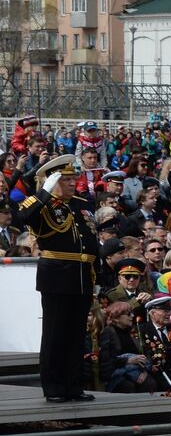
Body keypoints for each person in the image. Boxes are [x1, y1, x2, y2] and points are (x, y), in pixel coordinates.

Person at [15, 155, 100, 402]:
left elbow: (91, 242)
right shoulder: (42, 205)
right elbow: (24, 217)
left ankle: (73, 386)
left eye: (75, 178)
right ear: (53, 181)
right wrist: (44, 193)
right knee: (55, 333)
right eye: (66, 179)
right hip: (57, 275)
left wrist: (99, 276)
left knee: (76, 334)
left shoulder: (81, 204)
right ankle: (53, 387)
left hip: (83, 275)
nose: (73, 183)